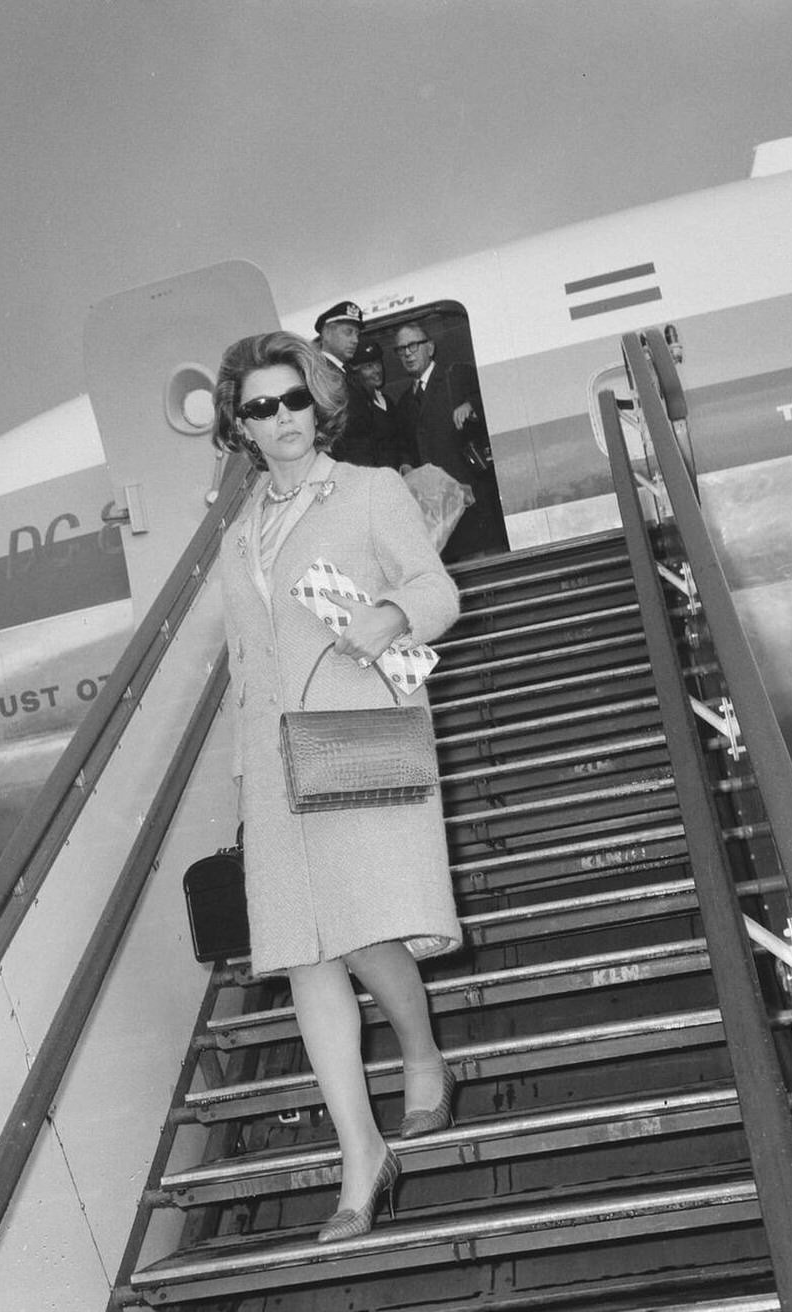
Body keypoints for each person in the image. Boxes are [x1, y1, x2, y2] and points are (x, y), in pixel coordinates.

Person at [212, 330, 462, 1243]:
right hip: (273, 764)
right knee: (303, 955)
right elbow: (246, 661)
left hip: (354, 728)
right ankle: (361, 1158)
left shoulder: (368, 490)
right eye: (258, 408)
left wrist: (386, 616)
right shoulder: (238, 535)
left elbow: (435, 590)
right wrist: (245, 779)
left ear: (319, 405)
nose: (279, 419)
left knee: (359, 934)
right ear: (238, 426)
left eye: (292, 401)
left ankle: (423, 1051)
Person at [393, 322, 509, 560]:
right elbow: (406, 445)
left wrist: (471, 405)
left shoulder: (456, 375)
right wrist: (405, 464)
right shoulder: (405, 401)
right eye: (401, 349)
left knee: (485, 562)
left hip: (473, 497)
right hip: (440, 507)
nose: (407, 353)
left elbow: (494, 398)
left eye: (413, 345)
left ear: (430, 348)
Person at [314, 300, 378, 466]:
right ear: (327, 334)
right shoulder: (319, 374)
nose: (355, 340)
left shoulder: (347, 372)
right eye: (348, 332)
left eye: (357, 334)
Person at [351, 340, 405, 470]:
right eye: (368, 366)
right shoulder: (357, 407)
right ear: (356, 372)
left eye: (378, 363)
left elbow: (400, 441)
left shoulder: (386, 401)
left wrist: (405, 462)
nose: (377, 370)